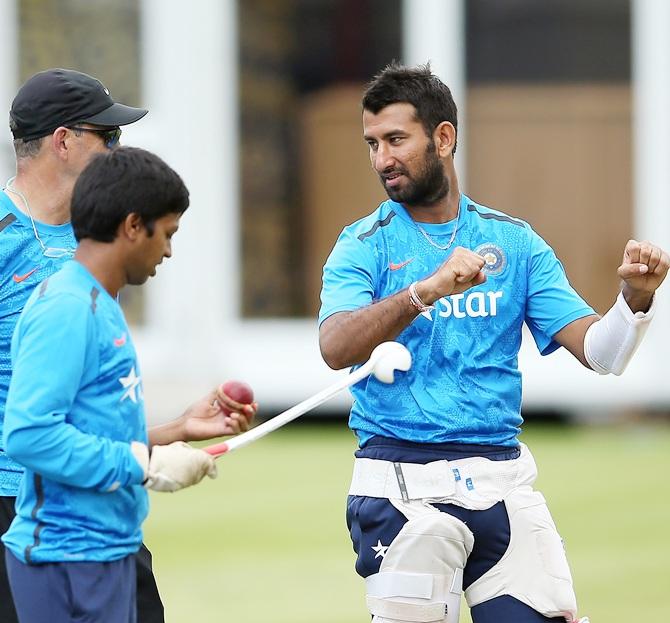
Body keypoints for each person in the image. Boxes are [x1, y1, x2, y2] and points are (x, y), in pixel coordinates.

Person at [318, 62, 669, 623]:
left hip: (501, 481)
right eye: (372, 143)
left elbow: (603, 355)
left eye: (396, 140)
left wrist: (634, 299)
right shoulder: (363, 244)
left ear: (444, 137)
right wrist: (424, 290)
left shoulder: (514, 241)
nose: (382, 159)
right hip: (402, 488)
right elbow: (335, 347)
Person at [0, 69, 256, 623]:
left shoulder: (99, 245)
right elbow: (31, 429)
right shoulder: (14, 244)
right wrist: (141, 462)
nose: (119, 151)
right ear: (63, 141)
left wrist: (175, 430)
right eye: (108, 137)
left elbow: (88, 411)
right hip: (31, 514)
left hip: (98, 506)